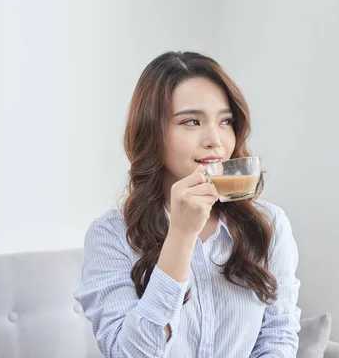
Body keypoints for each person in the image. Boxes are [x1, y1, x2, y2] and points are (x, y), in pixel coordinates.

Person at [75, 51, 301, 357]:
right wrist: (180, 236)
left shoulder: (268, 224)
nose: (215, 141)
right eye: (191, 121)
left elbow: (278, 338)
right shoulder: (111, 235)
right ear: (152, 132)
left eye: (226, 121)